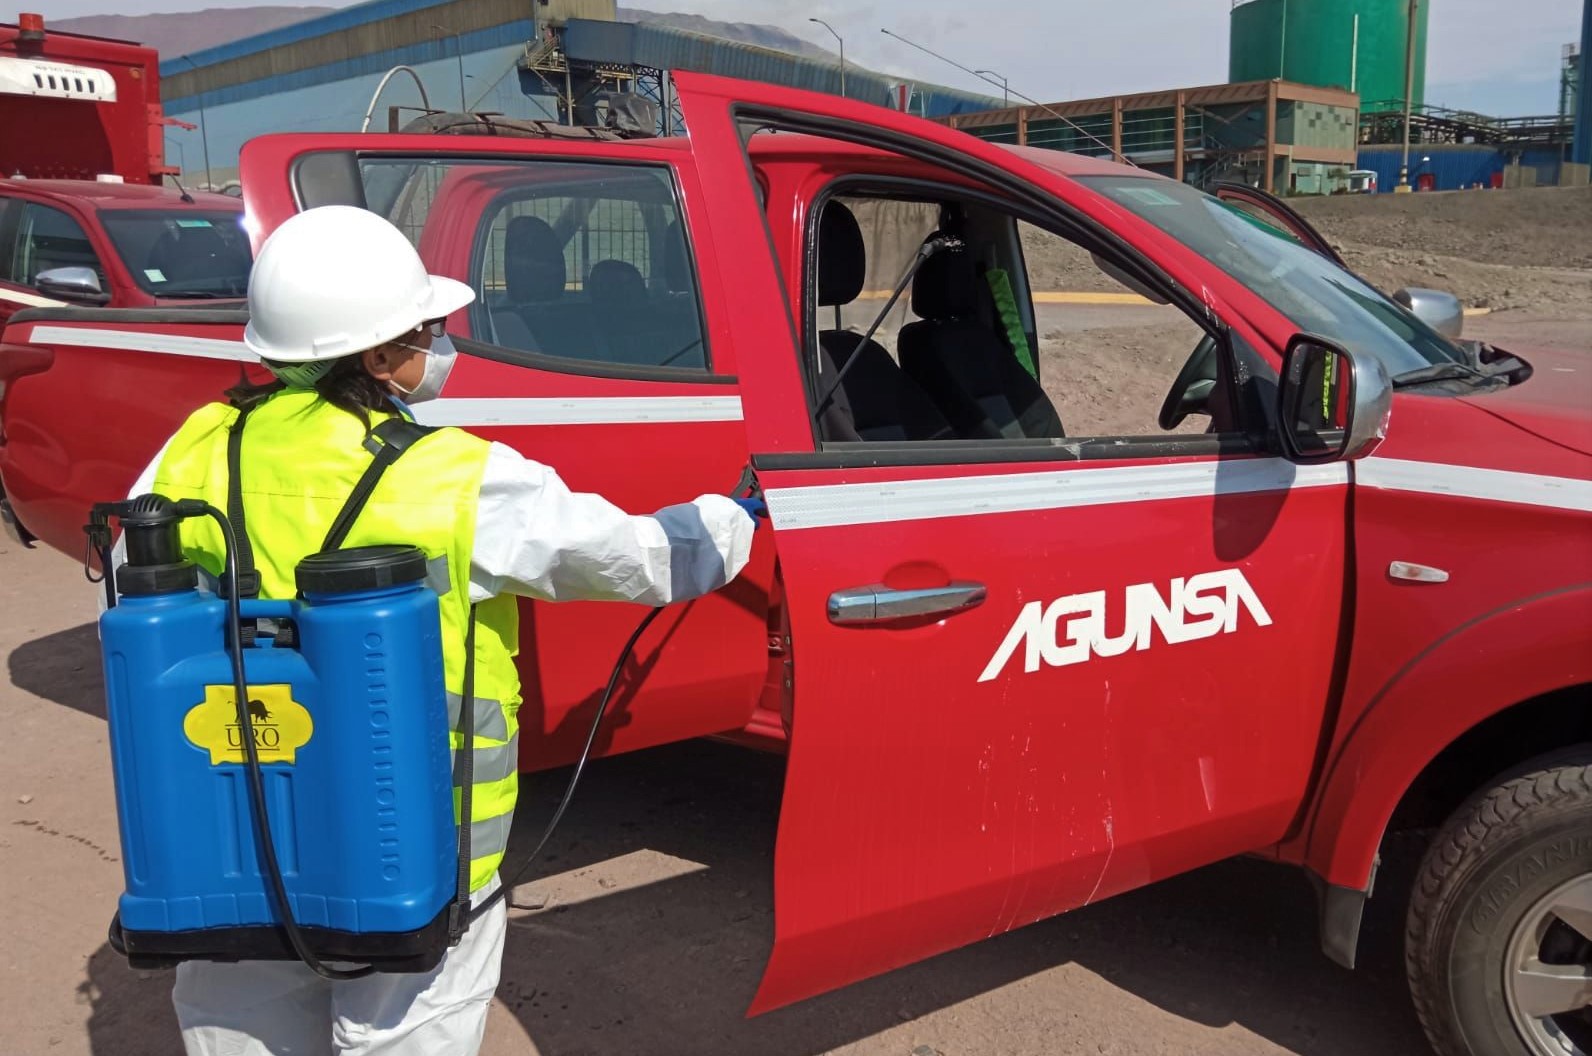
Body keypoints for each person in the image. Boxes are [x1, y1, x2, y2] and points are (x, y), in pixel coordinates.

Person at [120, 205, 760, 1055]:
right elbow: (643, 560)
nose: (440, 342)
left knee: (242, 1022)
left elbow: (140, 610)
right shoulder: (456, 478)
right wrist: (738, 515)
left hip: (238, 823)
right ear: (380, 357)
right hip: (415, 832)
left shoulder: (192, 451)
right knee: (403, 1031)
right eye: (428, 328)